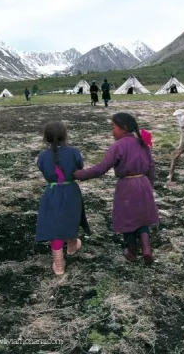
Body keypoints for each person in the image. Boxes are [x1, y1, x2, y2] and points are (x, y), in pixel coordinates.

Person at [74, 113, 159, 265]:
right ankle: (146, 249)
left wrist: (80, 174)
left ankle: (132, 252)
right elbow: (151, 166)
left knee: (127, 219)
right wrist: (149, 186)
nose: (112, 131)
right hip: (144, 183)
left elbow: (101, 168)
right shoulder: (142, 143)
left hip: (127, 186)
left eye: (113, 127)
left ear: (123, 128)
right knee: (142, 218)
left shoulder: (118, 146)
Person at [35, 121, 89, 275]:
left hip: (52, 193)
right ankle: (72, 246)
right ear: (65, 135)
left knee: (54, 224)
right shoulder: (73, 152)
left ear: (45, 138)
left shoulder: (42, 156)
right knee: (72, 218)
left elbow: (42, 169)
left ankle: (58, 263)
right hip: (71, 190)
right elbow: (80, 167)